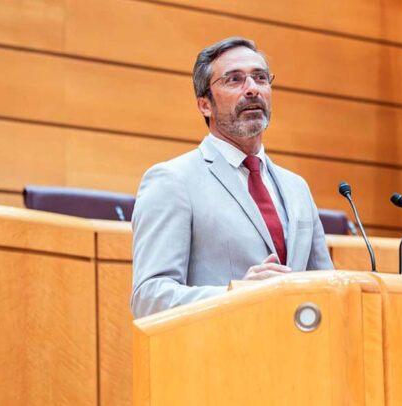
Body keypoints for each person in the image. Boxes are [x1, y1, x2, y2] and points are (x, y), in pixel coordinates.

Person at [130, 37, 334, 318]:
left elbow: (325, 287)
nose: (252, 89)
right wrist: (233, 294)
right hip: (221, 353)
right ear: (205, 105)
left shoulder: (297, 187)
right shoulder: (172, 180)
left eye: (260, 78)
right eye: (234, 80)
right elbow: (149, 298)